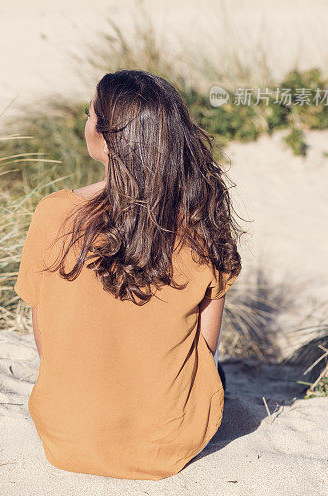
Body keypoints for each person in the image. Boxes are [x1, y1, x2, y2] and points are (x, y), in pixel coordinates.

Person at [14, 70, 243, 480]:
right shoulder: (201, 223)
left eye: (89, 114)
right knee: (220, 372)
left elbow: (45, 339)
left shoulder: (53, 215)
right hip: (169, 444)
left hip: (67, 436)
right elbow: (205, 347)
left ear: (104, 138)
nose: (86, 121)